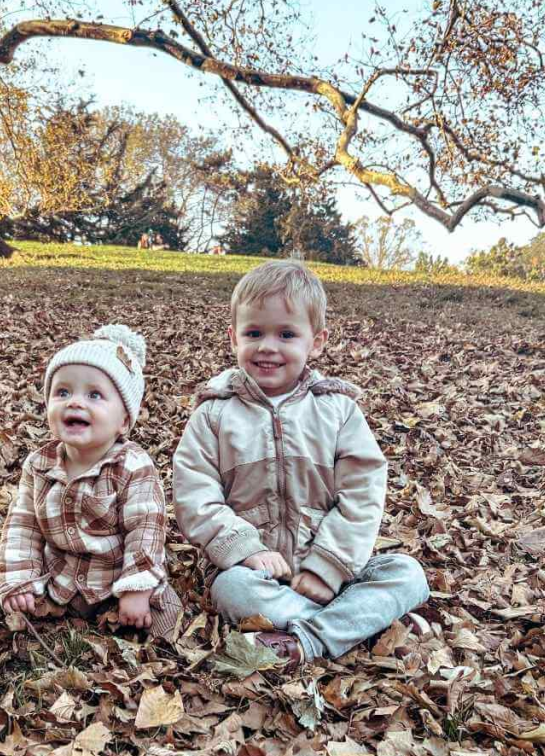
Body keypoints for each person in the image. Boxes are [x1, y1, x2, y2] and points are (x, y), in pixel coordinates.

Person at [172, 260, 429, 671]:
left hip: (332, 566)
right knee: (232, 591)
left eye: (287, 334)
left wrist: (328, 567)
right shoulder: (213, 415)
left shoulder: (338, 411)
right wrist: (247, 550)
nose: (267, 346)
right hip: (256, 572)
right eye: (254, 333)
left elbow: (362, 492)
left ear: (317, 342)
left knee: (408, 573)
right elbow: (195, 495)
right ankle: (364, 626)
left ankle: (311, 636)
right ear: (233, 337)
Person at [0, 325, 181, 640]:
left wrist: (136, 589)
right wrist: (19, 578)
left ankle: (169, 644)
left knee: (164, 602)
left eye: (94, 395)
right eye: (62, 392)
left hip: (113, 578)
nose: (75, 402)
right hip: (57, 573)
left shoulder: (133, 466)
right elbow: (23, 524)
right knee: (2, 560)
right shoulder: (40, 464)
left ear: (123, 420)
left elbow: (146, 530)